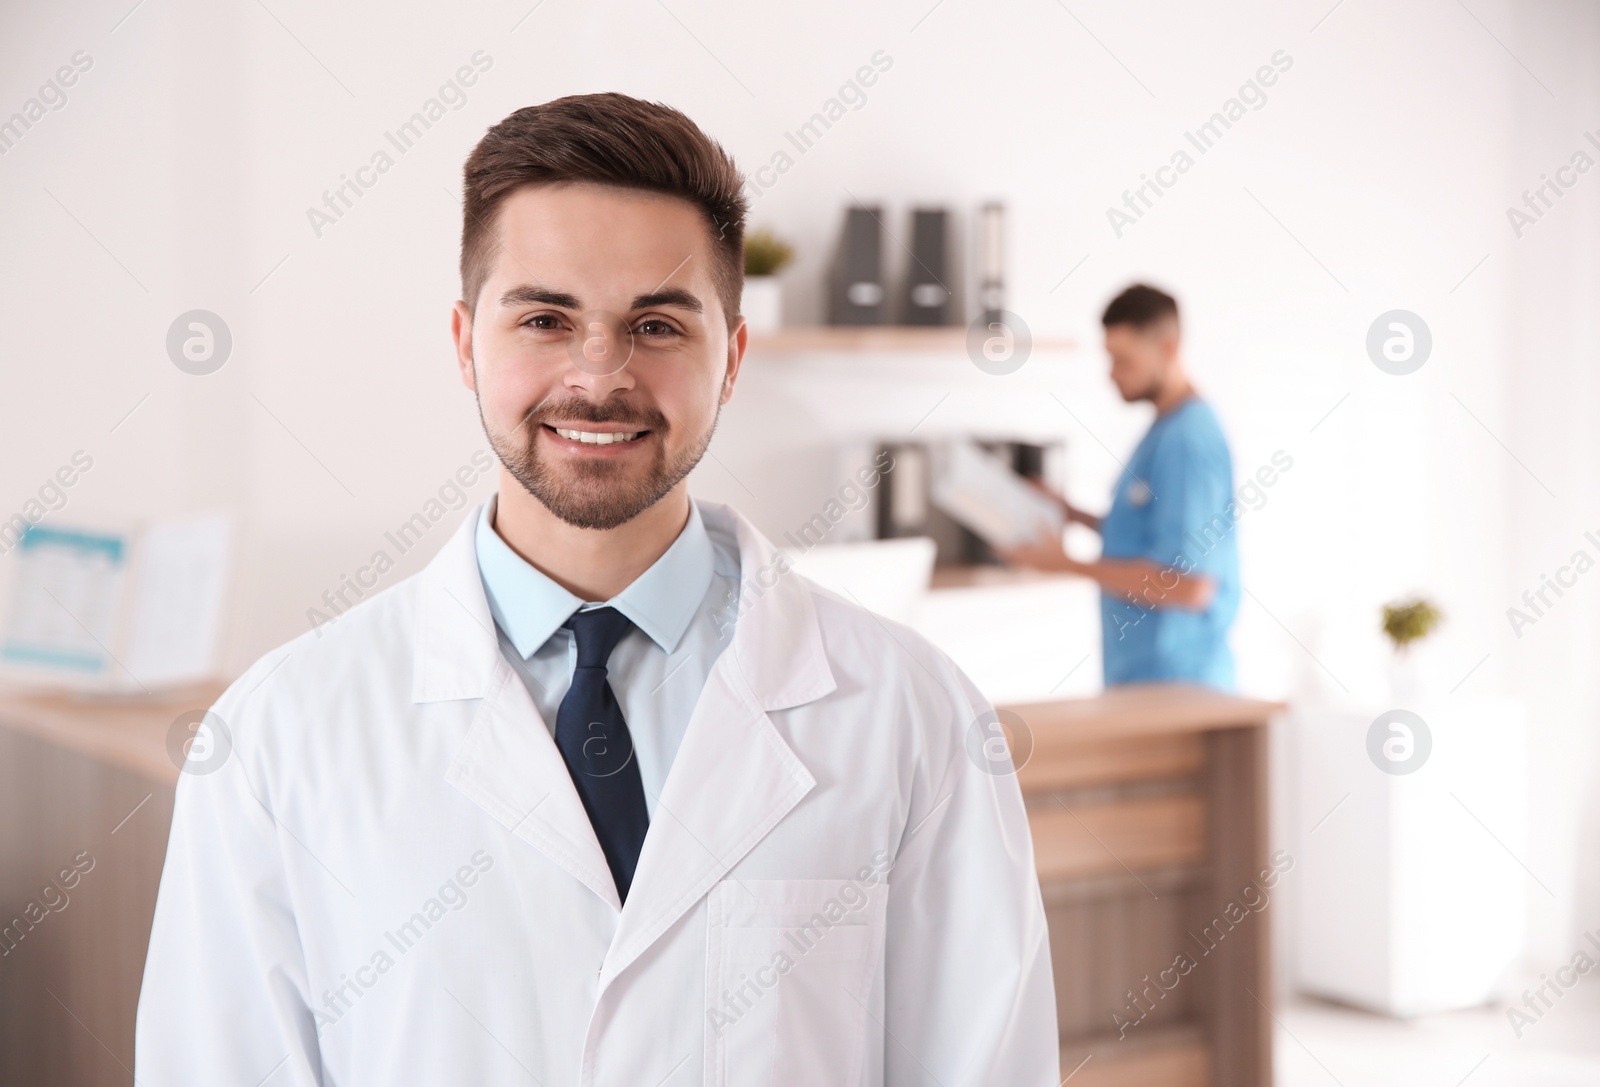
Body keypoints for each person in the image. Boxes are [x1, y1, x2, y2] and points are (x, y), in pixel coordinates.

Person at [134, 93, 1058, 1085]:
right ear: (464, 343)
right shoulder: (280, 739)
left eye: (656, 324)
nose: (598, 374)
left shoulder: (911, 715)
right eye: (544, 317)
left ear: (732, 358)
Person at [1000, 284, 1240, 690]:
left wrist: (1067, 563)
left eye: (1123, 360)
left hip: (1178, 686)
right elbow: (1147, 536)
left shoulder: (1188, 440)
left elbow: (1190, 586)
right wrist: (1070, 512)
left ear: (1168, 348)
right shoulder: (1164, 431)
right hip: (1142, 680)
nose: (1112, 373)